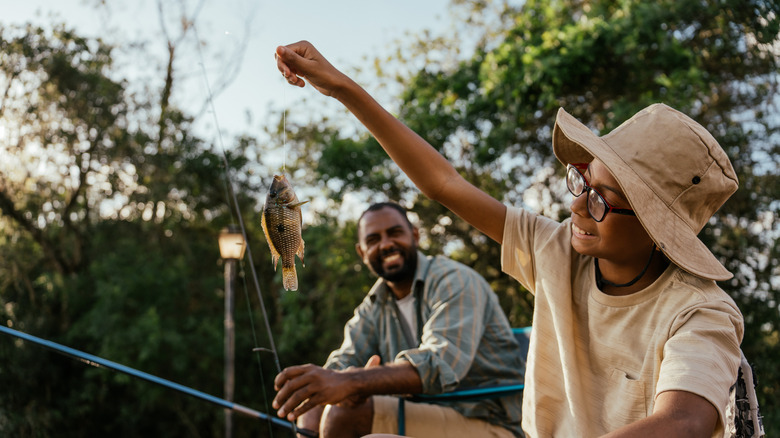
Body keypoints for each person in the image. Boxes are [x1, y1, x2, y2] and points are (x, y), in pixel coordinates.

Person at [273, 41, 745, 438]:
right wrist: (340, 87)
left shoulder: (701, 312)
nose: (578, 205)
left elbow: (685, 421)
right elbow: (444, 184)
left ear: (655, 229)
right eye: (582, 181)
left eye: (602, 199)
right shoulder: (556, 250)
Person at [272, 202, 525, 437]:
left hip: (489, 421)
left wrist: (352, 383)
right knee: (316, 403)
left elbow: (438, 367)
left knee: (345, 413)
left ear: (415, 236)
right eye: (373, 239)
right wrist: (321, 386)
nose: (385, 244)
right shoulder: (374, 304)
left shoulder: (454, 280)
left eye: (394, 233)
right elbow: (343, 362)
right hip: (422, 413)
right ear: (362, 252)